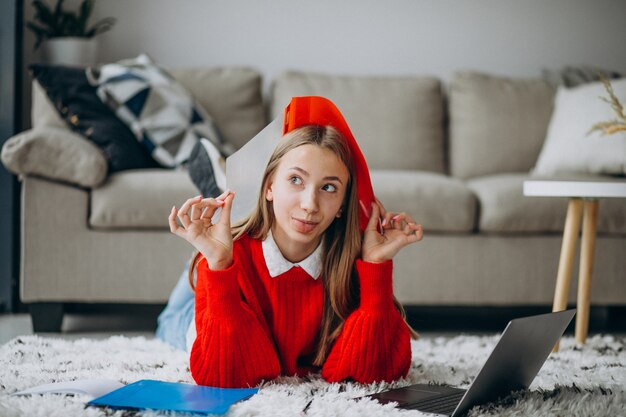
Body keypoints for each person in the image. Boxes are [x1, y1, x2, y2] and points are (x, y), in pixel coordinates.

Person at [157, 97, 423, 388]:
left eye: (329, 187)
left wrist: (376, 267)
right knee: (169, 324)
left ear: (344, 205)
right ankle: (224, 200)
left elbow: (378, 372)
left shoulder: (351, 259)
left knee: (227, 240)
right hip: (225, 281)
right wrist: (218, 264)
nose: (310, 205)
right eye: (296, 180)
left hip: (245, 244)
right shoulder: (231, 255)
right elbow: (225, 373)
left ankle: (229, 197)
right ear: (269, 185)